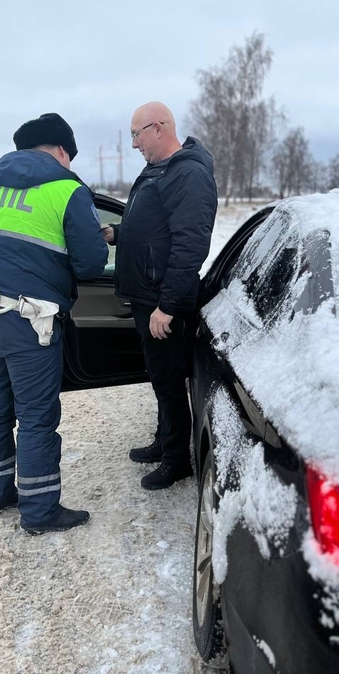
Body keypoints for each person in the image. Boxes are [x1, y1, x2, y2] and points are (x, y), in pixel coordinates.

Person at [0, 113, 108, 534]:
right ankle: (40, 512)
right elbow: (89, 263)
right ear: (63, 150)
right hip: (30, 321)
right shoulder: (67, 189)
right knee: (36, 416)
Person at [101, 101, 217, 490]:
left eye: (136, 134)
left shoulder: (188, 175)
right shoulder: (160, 170)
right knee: (159, 376)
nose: (134, 144)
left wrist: (166, 305)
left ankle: (176, 460)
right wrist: (119, 234)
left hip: (161, 298)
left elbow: (190, 245)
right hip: (149, 294)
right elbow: (155, 228)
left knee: (167, 378)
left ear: (159, 127)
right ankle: (164, 440)